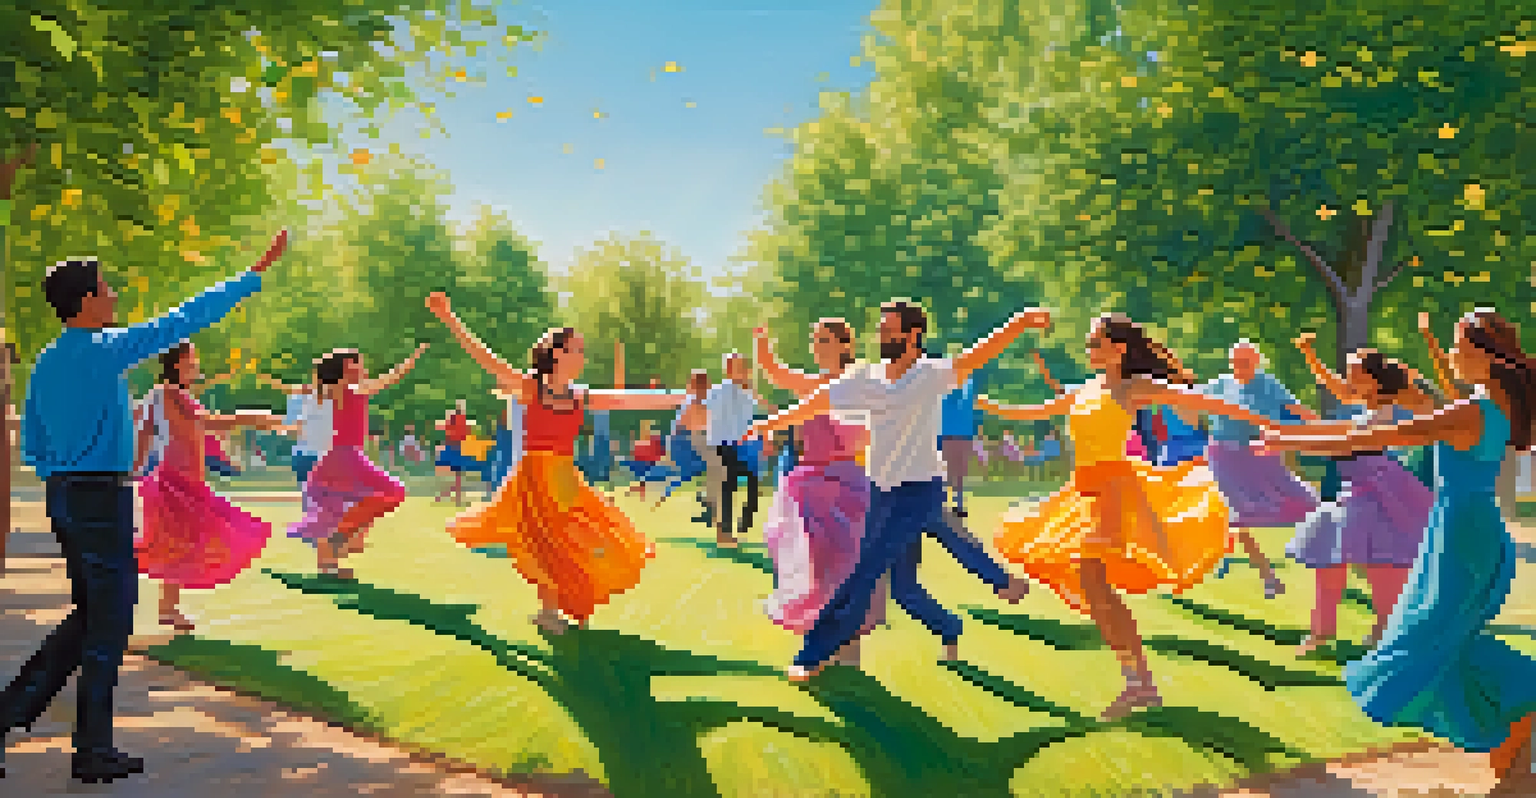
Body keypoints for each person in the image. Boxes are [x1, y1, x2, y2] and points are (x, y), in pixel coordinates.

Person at [4, 230, 287, 784]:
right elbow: (182, 320)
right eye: (106, 289)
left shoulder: (46, 361)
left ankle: (15, 711)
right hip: (98, 498)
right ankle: (91, 753)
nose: (113, 297)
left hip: (64, 496)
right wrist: (251, 277)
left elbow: (33, 442)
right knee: (107, 626)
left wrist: (67, 470)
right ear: (86, 302)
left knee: (91, 616)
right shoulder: (106, 350)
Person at [1262, 309, 1536, 793]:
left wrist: (1289, 437)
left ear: (1482, 355)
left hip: (1463, 532)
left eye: (1457, 346)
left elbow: (1379, 436)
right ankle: (1513, 766)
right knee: (1447, 641)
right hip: (1468, 528)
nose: (1450, 354)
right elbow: (1375, 430)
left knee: (1433, 642)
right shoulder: (1491, 403)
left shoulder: (1472, 409)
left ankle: (1524, 715)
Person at [983, 313, 1281, 720]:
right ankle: (1139, 682)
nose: (1089, 350)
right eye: (1089, 344)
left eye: (1096, 343)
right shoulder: (1085, 389)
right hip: (1083, 492)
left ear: (1119, 348)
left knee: (1093, 581)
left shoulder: (1132, 387)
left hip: (1114, 491)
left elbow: (1203, 402)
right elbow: (1036, 411)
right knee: (1096, 590)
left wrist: (1268, 425)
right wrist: (985, 404)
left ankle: (1139, 683)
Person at [746, 300, 1042, 680]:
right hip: (881, 492)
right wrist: (768, 423)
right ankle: (957, 621)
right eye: (881, 330)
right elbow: (816, 403)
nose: (882, 336)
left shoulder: (931, 373)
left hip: (921, 487)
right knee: (904, 586)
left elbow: (977, 355)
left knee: (864, 569)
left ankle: (811, 656)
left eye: (889, 330)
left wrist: (1020, 320)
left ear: (913, 335)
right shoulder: (866, 379)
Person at [427, 292, 683, 633]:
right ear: (556, 353)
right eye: (576, 349)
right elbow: (486, 359)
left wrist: (683, 397)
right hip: (534, 475)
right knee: (546, 541)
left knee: (586, 537)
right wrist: (449, 318)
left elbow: (625, 399)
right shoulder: (531, 387)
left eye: (582, 350)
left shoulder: (579, 394)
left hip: (564, 476)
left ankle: (569, 598)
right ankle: (549, 611)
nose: (582, 355)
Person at [1286, 334, 1437, 653]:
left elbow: (1348, 442)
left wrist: (1286, 441)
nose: (1348, 380)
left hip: (1377, 492)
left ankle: (1383, 629)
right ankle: (1322, 633)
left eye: (1355, 374)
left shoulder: (1388, 409)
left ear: (1373, 380)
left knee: (1379, 566)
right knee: (1331, 562)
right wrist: (1310, 354)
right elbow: (1337, 393)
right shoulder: (1367, 405)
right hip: (1353, 490)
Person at [755, 320, 885, 666]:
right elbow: (774, 372)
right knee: (815, 566)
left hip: (847, 482)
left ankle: (849, 649)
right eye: (815, 339)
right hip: (809, 483)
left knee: (846, 565)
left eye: (825, 340)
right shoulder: (810, 384)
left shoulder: (858, 386)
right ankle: (824, 639)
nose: (817, 345)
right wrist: (761, 343)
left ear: (845, 346)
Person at [136, 343, 288, 632]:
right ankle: (163, 608)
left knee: (179, 543)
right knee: (188, 540)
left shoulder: (162, 395)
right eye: (193, 361)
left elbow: (147, 430)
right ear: (179, 363)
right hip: (177, 480)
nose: (196, 366)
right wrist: (249, 417)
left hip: (185, 479)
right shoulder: (170, 393)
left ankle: (167, 608)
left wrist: (135, 468)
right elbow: (206, 422)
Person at [287, 344, 428, 578]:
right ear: (345, 367)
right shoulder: (340, 388)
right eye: (357, 363)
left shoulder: (351, 388)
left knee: (336, 507)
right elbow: (383, 380)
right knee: (393, 492)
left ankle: (331, 559)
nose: (362, 367)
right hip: (345, 456)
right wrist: (410, 360)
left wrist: (409, 362)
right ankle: (340, 537)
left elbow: (386, 380)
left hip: (346, 457)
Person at [1202, 340, 1318, 599]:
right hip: (1224, 455)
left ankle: (1332, 558)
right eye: (1234, 362)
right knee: (1235, 514)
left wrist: (1327, 428)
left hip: (1261, 455)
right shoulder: (1220, 384)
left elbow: (1295, 409)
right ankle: (1268, 577)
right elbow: (1189, 398)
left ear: (1256, 362)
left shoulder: (1268, 384)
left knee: (1309, 503)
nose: (1237, 367)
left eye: (1244, 362)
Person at [706, 354, 767, 547]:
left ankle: (726, 530)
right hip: (722, 445)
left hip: (736, 446)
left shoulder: (742, 393)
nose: (744, 371)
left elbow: (757, 411)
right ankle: (723, 533)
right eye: (740, 367)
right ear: (729, 369)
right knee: (727, 489)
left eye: (745, 368)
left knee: (732, 487)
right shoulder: (720, 391)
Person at [260, 368, 333, 511]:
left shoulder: (337, 399)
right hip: (308, 455)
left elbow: (293, 428)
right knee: (316, 504)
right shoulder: (300, 400)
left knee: (321, 503)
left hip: (323, 455)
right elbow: (294, 428)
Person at [434, 399, 476, 506]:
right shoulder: (461, 420)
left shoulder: (453, 418)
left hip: (453, 448)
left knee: (451, 475)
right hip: (458, 448)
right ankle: (452, 496)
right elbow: (466, 433)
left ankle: (446, 496)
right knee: (457, 476)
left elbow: (444, 428)